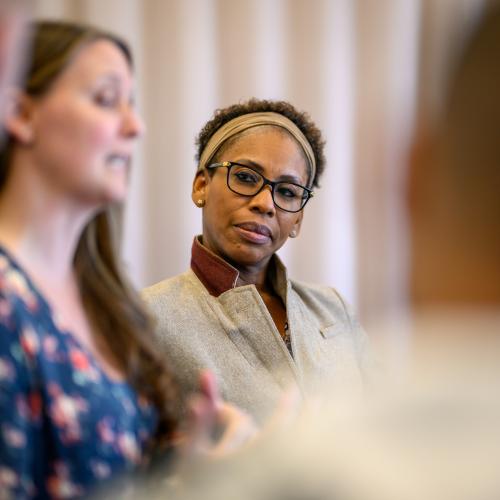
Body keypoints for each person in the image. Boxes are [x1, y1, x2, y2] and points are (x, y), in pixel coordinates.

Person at [0, 20, 254, 499]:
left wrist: (192, 464)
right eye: (104, 99)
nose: (134, 126)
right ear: (22, 113)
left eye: (132, 104)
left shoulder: (108, 299)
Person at [143, 99, 372, 421]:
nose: (266, 203)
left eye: (288, 192)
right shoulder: (146, 319)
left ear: (299, 220)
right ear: (201, 186)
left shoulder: (332, 309)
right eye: (247, 178)